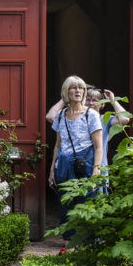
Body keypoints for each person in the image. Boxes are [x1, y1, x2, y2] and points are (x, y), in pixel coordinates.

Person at [46, 76, 103, 241]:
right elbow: (57, 145)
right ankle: (69, 244)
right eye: (74, 88)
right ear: (66, 91)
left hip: (84, 165)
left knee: (87, 204)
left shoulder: (91, 115)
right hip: (63, 166)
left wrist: (96, 171)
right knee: (66, 205)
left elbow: (98, 146)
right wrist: (52, 171)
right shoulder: (61, 115)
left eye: (81, 88)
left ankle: (89, 244)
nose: (78, 91)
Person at [47, 86, 131, 171]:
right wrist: (66, 97)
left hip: (99, 169)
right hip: (76, 168)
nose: (90, 103)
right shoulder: (72, 119)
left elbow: (125, 119)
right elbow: (50, 116)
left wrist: (112, 100)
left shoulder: (104, 119)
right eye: (87, 100)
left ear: (102, 104)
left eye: (94, 100)